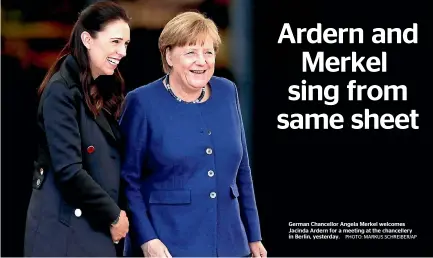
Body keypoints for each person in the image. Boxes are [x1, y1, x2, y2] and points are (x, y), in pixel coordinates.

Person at [120, 11, 267, 257]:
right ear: (168, 55)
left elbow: (242, 170)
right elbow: (128, 179)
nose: (202, 61)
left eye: (208, 52)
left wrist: (254, 236)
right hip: (168, 245)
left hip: (230, 245)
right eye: (190, 52)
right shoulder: (141, 102)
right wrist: (147, 239)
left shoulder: (227, 91)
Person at [24, 1, 131, 256]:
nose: (123, 52)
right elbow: (69, 170)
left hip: (91, 231)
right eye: (115, 41)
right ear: (87, 39)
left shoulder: (104, 88)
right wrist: (114, 215)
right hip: (63, 234)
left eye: (125, 44)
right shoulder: (60, 91)